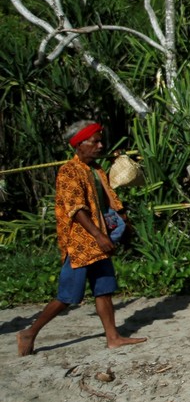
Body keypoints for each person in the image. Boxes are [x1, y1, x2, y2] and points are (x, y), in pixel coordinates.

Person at [17, 121, 146, 356]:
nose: (100, 145)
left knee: (104, 290)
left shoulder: (96, 170)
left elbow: (108, 200)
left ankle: (113, 337)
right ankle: (30, 332)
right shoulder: (69, 171)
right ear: (79, 145)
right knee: (67, 296)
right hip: (81, 244)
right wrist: (98, 235)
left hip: (99, 241)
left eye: (100, 140)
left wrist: (122, 223)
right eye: (94, 141)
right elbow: (76, 209)